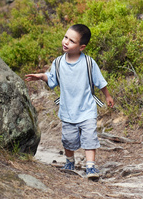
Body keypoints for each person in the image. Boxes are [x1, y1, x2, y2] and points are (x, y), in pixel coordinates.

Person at [25, 24, 114, 178]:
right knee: (68, 139)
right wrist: (41, 76)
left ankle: (91, 167)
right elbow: (52, 80)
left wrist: (107, 96)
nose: (66, 42)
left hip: (87, 109)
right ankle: (69, 161)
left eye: (72, 41)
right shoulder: (58, 63)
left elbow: (100, 81)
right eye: (66, 37)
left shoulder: (88, 63)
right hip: (67, 110)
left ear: (81, 47)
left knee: (89, 137)